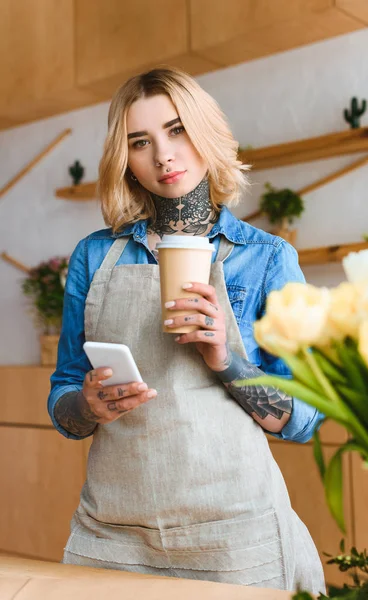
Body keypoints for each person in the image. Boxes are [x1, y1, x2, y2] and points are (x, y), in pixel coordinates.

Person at [48, 66, 325, 592]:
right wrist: (87, 405)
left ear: (206, 132)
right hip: (113, 535)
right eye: (140, 141)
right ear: (125, 160)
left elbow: (304, 418)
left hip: (235, 540)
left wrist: (225, 358)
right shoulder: (93, 256)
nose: (163, 155)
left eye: (176, 130)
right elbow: (65, 396)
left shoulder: (266, 260)